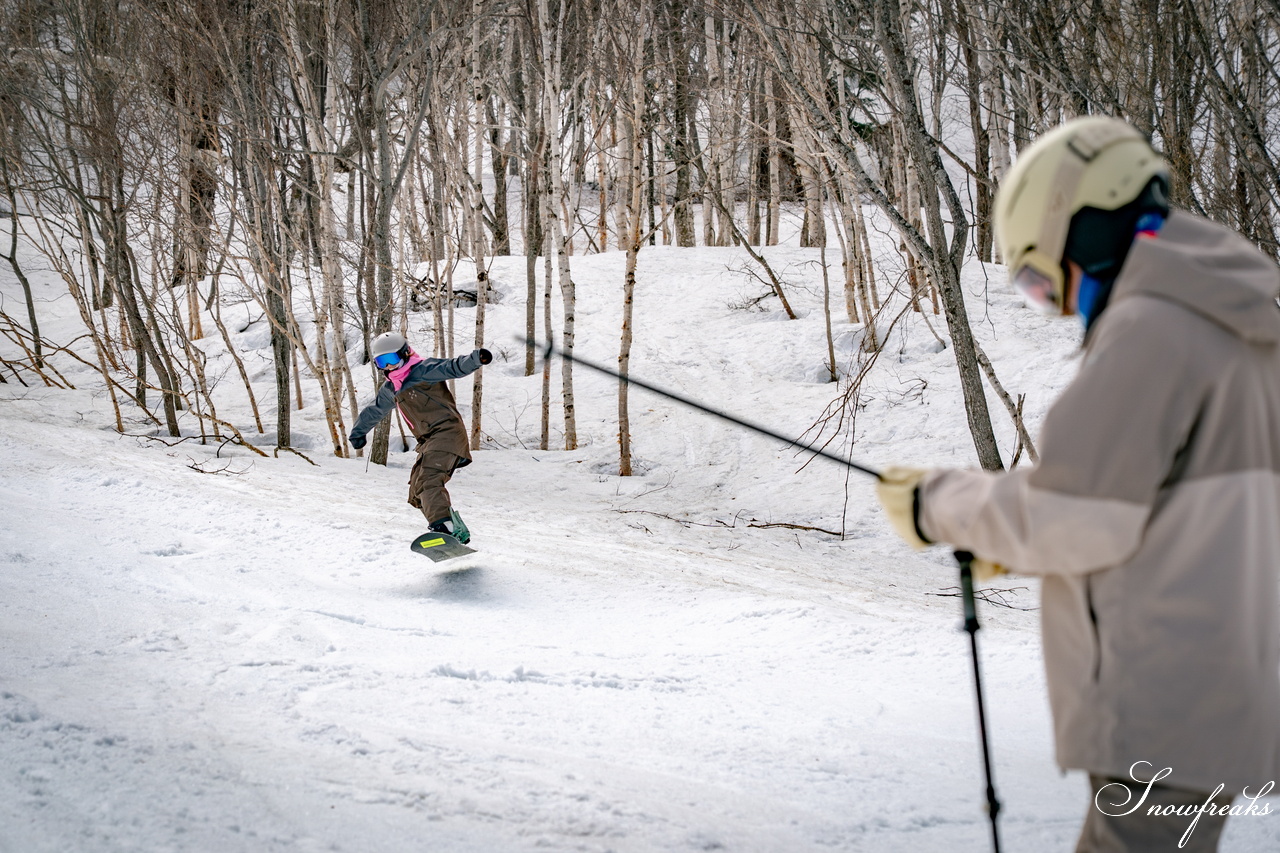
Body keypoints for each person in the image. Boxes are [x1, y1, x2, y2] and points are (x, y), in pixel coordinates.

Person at [876, 116, 1280, 851]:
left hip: (1164, 692)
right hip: (1223, 686)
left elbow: (1075, 512)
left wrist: (940, 506)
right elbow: (1163, 508)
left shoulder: (1155, 327)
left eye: (1039, 277)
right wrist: (1020, 542)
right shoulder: (1241, 326)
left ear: (1087, 227)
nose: (1057, 304)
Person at [349, 332, 492, 542]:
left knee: (428, 479)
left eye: (392, 360)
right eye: (382, 362)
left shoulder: (423, 370)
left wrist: (475, 359)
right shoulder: (391, 388)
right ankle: (455, 530)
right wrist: (358, 432)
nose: (388, 367)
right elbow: (375, 411)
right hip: (428, 441)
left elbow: (452, 367)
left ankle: (444, 528)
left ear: (405, 354)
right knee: (417, 491)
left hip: (447, 433)